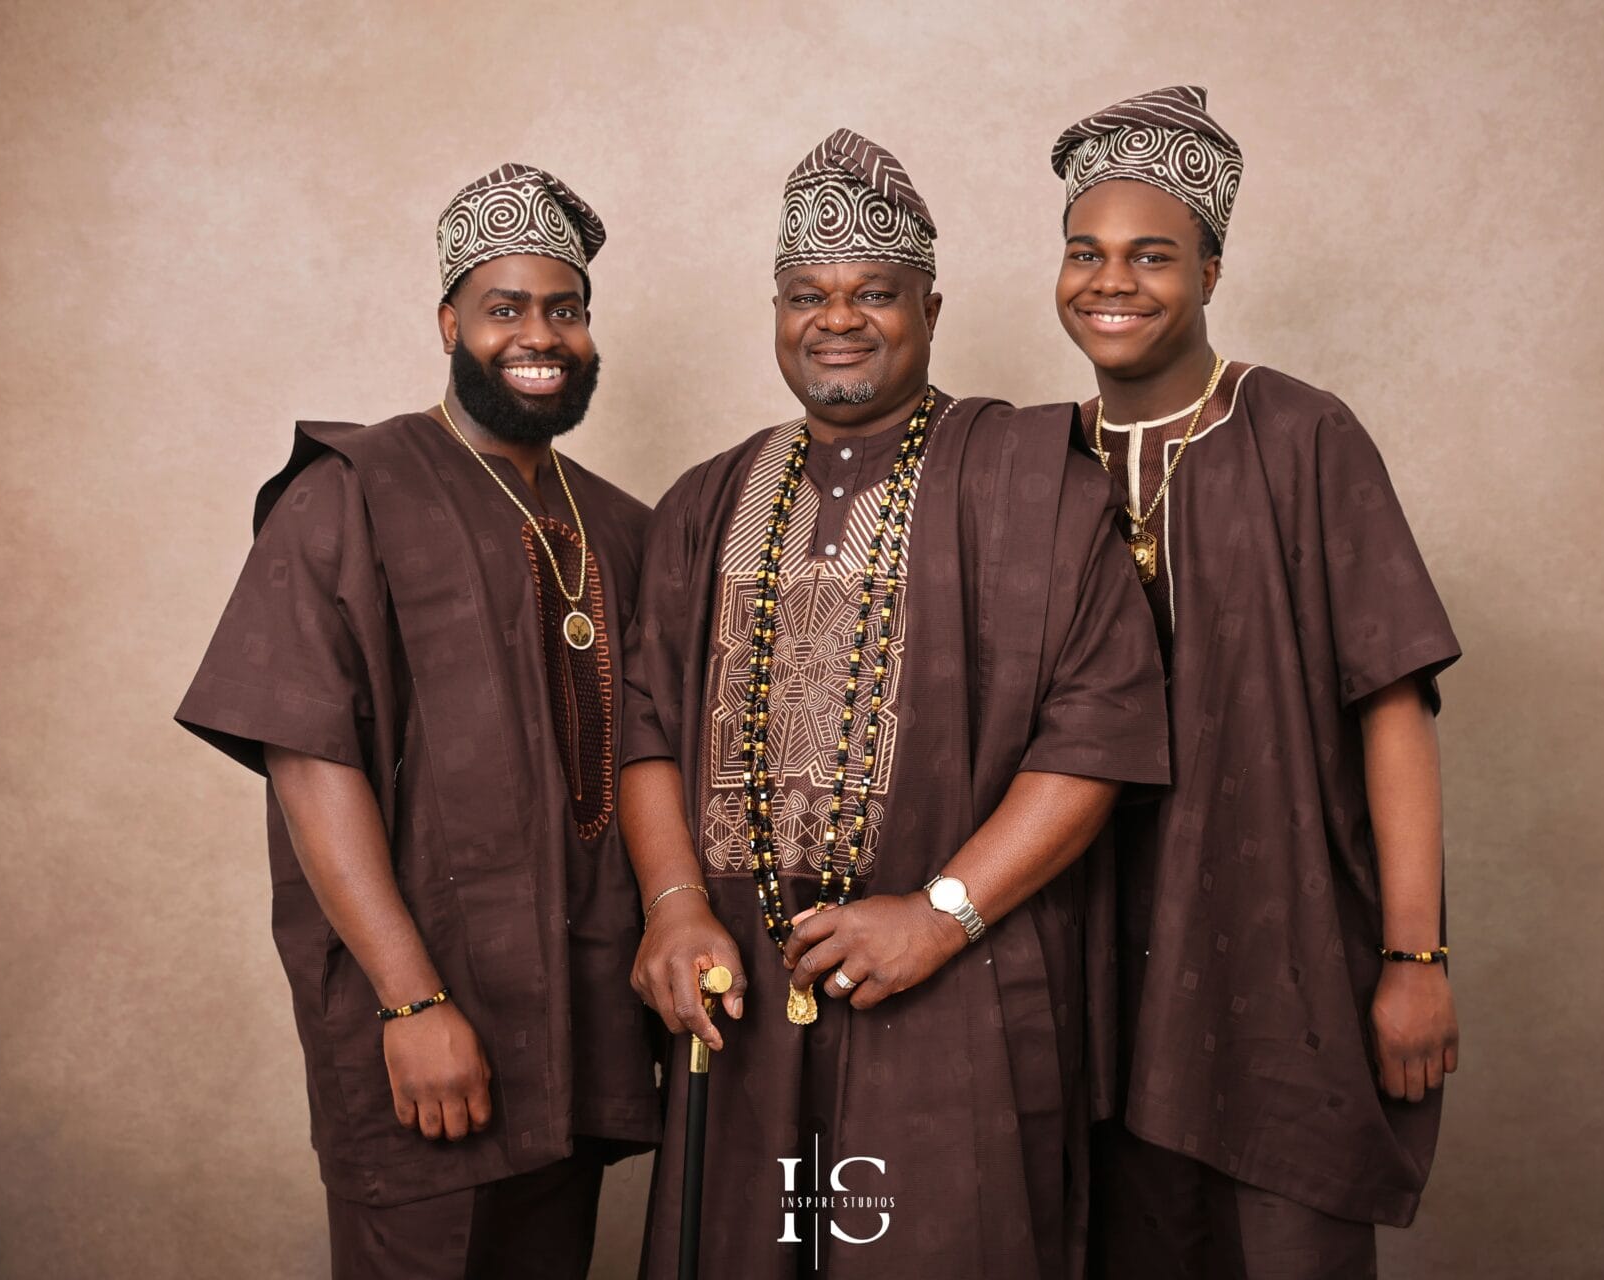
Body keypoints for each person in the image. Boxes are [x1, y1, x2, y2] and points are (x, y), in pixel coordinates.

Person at [619, 128, 1168, 1279]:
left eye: (875, 290)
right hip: (748, 1004)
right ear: (775, 311)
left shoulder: (1031, 479)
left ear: (931, 306)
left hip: (958, 989)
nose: (838, 316)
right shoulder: (704, 500)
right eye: (806, 292)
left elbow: (1100, 728)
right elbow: (648, 729)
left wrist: (941, 911)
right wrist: (674, 906)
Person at [174, 162, 658, 1279]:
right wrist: (412, 999)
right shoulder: (353, 488)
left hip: (578, 1022)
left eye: (566, 309)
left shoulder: (625, 526)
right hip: (427, 1014)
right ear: (449, 320)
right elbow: (306, 752)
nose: (540, 334)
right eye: (505, 308)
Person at [1049, 86, 1463, 1278]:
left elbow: (1393, 704)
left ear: (1213, 271)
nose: (1111, 281)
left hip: (1283, 957)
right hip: (1090, 970)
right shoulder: (1037, 460)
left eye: (1152, 255)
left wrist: (1415, 957)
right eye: (1086, 252)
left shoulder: (1300, 435)